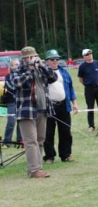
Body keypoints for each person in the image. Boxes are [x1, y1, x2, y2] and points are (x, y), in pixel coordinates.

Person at [13, 46, 57, 178]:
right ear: (24, 58)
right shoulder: (17, 69)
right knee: (31, 140)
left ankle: (37, 167)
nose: (32, 59)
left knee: (40, 140)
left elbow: (53, 77)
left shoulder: (40, 68)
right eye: (29, 57)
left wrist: (42, 66)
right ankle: (35, 170)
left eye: (34, 56)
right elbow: (16, 83)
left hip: (42, 108)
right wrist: (30, 70)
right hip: (26, 110)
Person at [43, 49, 78, 164]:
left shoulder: (64, 72)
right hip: (49, 106)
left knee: (65, 131)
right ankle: (49, 156)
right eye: (52, 59)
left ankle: (66, 155)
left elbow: (71, 88)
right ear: (47, 61)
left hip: (64, 105)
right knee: (48, 132)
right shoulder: (42, 73)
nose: (55, 61)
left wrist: (74, 103)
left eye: (57, 59)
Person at [77, 49, 98, 131]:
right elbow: (80, 79)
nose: (89, 55)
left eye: (90, 53)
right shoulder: (82, 67)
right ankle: (91, 126)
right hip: (89, 88)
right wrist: (86, 84)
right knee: (90, 107)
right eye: (87, 54)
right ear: (84, 57)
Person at [2, 59, 22, 147]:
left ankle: (20, 140)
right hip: (11, 102)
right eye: (14, 65)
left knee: (20, 122)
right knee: (11, 122)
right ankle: (7, 142)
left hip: (21, 101)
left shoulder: (22, 75)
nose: (16, 66)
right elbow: (11, 87)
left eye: (18, 64)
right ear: (11, 66)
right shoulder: (8, 76)